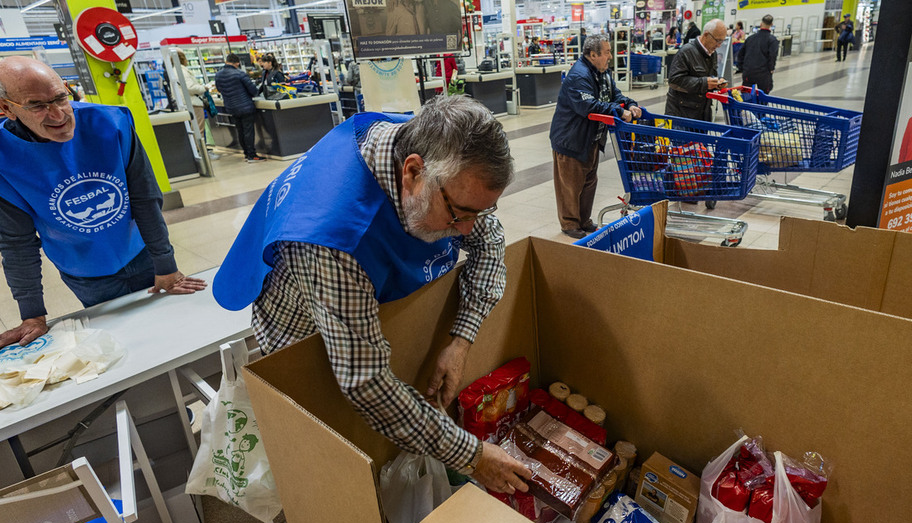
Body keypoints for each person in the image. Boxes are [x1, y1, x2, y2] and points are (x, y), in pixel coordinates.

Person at [211, 96, 532, 496]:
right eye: (459, 215)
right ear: (412, 173)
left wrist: (461, 341)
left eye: (477, 214)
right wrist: (472, 456)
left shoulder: (434, 154)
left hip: (367, 311)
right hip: (305, 336)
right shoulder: (333, 239)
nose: (467, 230)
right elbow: (364, 382)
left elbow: (489, 243)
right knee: (336, 467)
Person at [0, 56, 206, 357]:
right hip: (85, 271)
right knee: (130, 344)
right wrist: (32, 314)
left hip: (142, 252)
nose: (58, 114)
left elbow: (145, 197)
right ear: (7, 108)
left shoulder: (111, 124)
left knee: (178, 327)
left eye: (61, 97)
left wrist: (165, 264)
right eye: (37, 105)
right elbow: (16, 243)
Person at [549, 34, 642, 239]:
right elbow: (588, 105)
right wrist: (618, 111)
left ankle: (584, 220)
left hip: (591, 138)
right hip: (571, 139)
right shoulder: (578, 76)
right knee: (571, 185)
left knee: (589, 181)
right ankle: (570, 224)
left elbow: (615, 95)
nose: (610, 56)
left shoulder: (603, 73)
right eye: (607, 52)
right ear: (593, 54)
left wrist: (629, 104)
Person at [665, 18, 728, 121]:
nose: (719, 45)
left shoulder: (713, 53)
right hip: (682, 115)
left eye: (722, 41)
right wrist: (704, 83)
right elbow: (674, 80)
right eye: (718, 40)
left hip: (702, 113)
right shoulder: (686, 51)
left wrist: (716, 83)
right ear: (706, 35)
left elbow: (710, 76)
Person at [214, 53, 264, 162]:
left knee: (240, 131)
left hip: (231, 107)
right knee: (248, 131)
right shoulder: (240, 74)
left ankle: (246, 153)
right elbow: (253, 91)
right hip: (245, 106)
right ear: (237, 63)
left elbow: (219, 89)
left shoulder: (218, 75)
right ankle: (252, 155)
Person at [737, 14, 778, 93]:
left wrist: (742, 68)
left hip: (748, 72)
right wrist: (771, 68)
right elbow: (772, 56)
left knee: (746, 95)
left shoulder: (750, 38)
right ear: (771, 25)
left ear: (761, 24)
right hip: (763, 73)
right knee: (763, 97)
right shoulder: (772, 40)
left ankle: (747, 105)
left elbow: (741, 54)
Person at [175, 49, 209, 142]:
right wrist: (203, 88)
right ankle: (202, 153)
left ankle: (199, 152)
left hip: (186, 103)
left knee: (194, 129)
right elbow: (190, 88)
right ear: (182, 59)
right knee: (198, 130)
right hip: (193, 103)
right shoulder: (183, 71)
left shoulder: (174, 71)